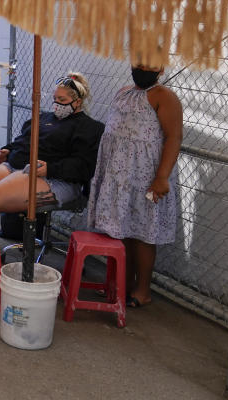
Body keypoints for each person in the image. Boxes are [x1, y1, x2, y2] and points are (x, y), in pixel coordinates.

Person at [0, 72, 104, 217]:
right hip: (20, 166)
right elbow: (23, 140)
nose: (57, 104)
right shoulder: (44, 118)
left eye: (62, 100)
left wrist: (51, 168)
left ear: (78, 102)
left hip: (55, 178)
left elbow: (84, 166)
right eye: (55, 99)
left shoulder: (89, 128)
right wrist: (8, 149)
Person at [87, 65, 182, 308]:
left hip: (145, 176)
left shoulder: (165, 97)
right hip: (118, 177)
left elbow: (174, 137)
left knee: (142, 234)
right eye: (139, 61)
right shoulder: (124, 91)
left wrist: (161, 177)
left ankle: (142, 290)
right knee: (121, 231)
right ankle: (122, 284)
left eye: (149, 63)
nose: (143, 67)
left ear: (160, 68)